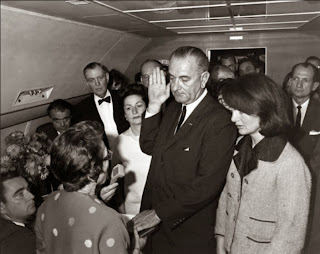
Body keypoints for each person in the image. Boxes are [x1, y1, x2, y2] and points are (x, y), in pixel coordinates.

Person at [132, 46, 237, 253]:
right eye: (172, 78)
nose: (176, 86)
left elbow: (207, 185)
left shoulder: (219, 121)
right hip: (157, 227)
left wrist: (158, 214)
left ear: (204, 78)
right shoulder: (173, 108)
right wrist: (153, 105)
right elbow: (149, 146)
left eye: (184, 79)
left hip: (187, 231)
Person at [215, 73, 311, 254]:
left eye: (242, 111)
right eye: (233, 110)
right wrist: (221, 241)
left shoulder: (290, 163)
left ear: (265, 110)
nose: (233, 118)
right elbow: (227, 198)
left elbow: (290, 235)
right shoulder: (240, 146)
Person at [34, 121, 143, 254]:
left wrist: (98, 200)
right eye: (107, 156)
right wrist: (135, 250)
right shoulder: (110, 221)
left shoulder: (46, 204)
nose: (109, 158)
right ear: (94, 170)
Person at [112, 84, 151, 216]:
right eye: (129, 108)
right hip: (133, 207)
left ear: (147, 108)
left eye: (139, 106)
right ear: (124, 115)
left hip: (159, 205)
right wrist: (120, 205)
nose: (134, 111)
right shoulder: (119, 142)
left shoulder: (161, 137)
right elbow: (115, 178)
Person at [74, 62, 129, 148]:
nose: (97, 84)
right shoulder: (81, 108)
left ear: (107, 77)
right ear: (87, 83)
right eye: (91, 80)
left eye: (100, 78)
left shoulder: (123, 97)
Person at [0, 170, 36, 254]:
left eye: (28, 189)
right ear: (1, 207)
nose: (31, 196)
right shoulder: (22, 240)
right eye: (20, 194)